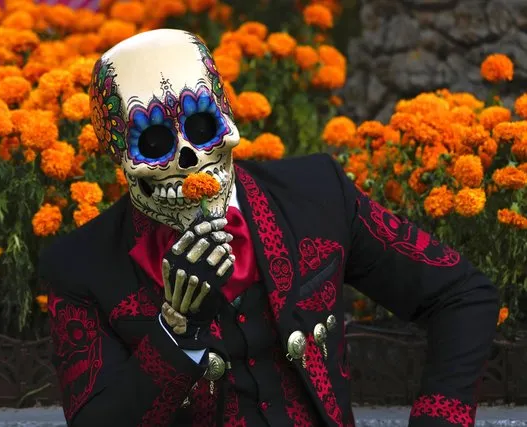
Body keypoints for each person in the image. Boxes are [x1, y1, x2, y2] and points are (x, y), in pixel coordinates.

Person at [38, 29, 499, 427]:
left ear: (226, 118)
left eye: (201, 126)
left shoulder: (316, 195)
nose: (188, 158)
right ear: (118, 156)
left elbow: (462, 294)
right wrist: (175, 329)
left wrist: (440, 417)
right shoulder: (80, 266)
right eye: (153, 142)